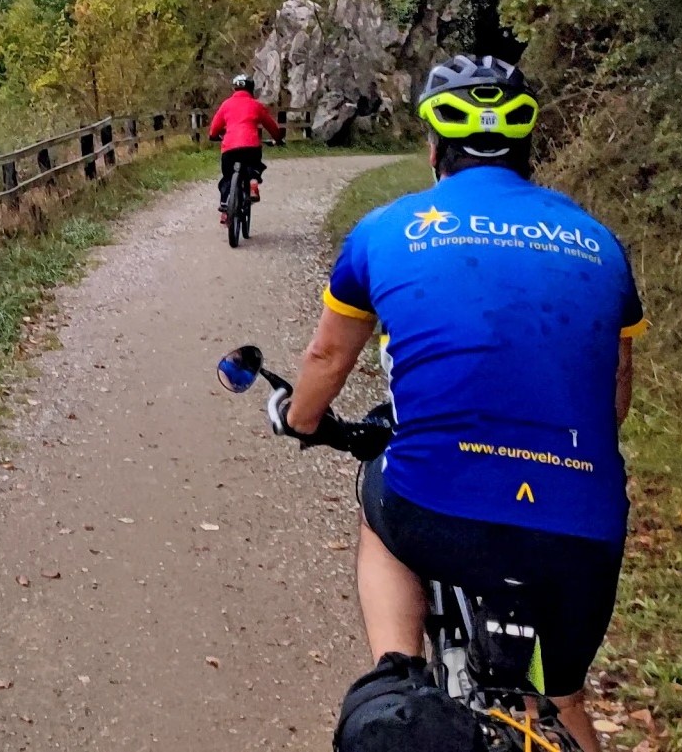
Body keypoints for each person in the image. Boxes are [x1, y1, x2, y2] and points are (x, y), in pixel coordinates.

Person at [272, 56, 646, 752]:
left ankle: (396, 676)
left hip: (436, 510)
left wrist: (300, 419)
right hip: (582, 529)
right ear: (527, 146)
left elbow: (327, 357)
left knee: (381, 489)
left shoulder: (387, 229)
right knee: (559, 697)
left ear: (432, 148)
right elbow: (613, 389)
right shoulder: (597, 240)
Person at [209, 73, 282, 222]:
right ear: (251, 88)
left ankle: (225, 207)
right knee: (254, 166)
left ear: (235, 88)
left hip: (229, 148)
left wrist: (214, 136)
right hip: (251, 147)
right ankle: (253, 182)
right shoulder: (256, 105)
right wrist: (278, 139)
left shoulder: (226, 105)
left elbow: (214, 129)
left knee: (228, 177)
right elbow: (271, 126)